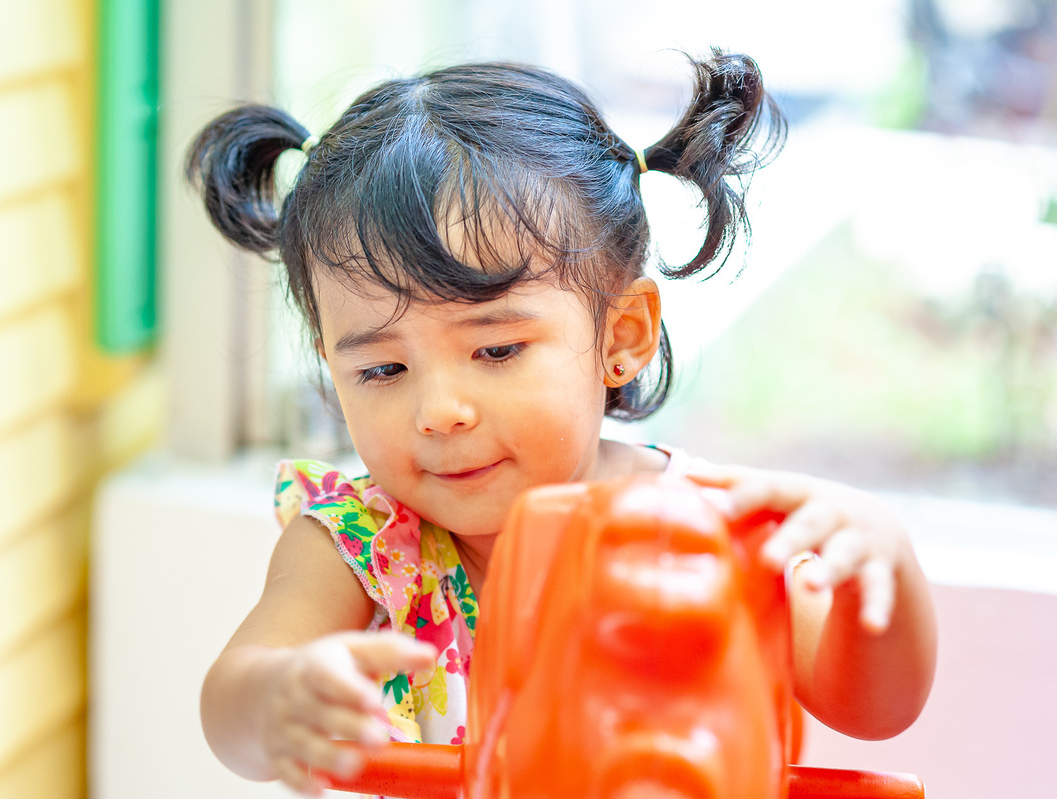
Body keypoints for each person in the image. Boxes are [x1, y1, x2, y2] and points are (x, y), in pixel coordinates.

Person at [186, 52, 938, 796]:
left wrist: (885, 573)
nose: (439, 410)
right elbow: (231, 713)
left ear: (622, 335)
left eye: (497, 348)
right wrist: (276, 697)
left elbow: (871, 710)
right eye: (382, 370)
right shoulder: (360, 545)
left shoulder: (703, 528)